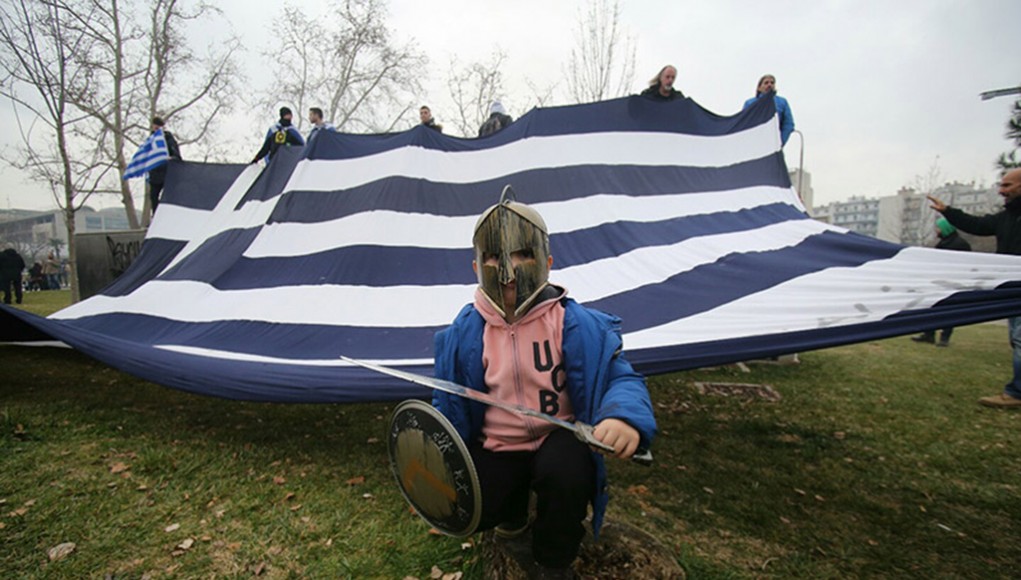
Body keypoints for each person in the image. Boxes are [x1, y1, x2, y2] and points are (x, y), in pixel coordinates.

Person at [433, 186, 656, 577]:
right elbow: (447, 400)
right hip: (497, 445)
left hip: (560, 439)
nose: (508, 269)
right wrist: (434, 450)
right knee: (473, 497)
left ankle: (554, 561)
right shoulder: (464, 332)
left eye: (524, 253)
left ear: (547, 261)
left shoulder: (576, 325)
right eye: (492, 256)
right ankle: (512, 516)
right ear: (474, 267)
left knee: (567, 477)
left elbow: (620, 376)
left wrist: (624, 417)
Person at [928, 168, 1021, 408]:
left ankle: (1017, 393)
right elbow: (977, 225)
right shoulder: (1006, 217)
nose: (1001, 190)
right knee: (1016, 338)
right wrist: (948, 212)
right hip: (1012, 289)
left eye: (1007, 186)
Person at [910, 217, 971, 346]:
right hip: (937, 282)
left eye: (938, 228)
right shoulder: (944, 243)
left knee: (948, 312)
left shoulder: (958, 245)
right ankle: (928, 334)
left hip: (951, 283)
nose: (936, 230)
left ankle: (944, 338)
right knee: (931, 308)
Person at [742, 74, 795, 146]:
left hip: (774, 143)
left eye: (772, 83)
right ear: (759, 87)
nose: (769, 85)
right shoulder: (750, 103)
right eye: (766, 83)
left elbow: (788, 124)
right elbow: (743, 123)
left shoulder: (782, 102)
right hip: (755, 143)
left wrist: (781, 141)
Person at [146, 117, 182, 213]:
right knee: (153, 196)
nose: (156, 128)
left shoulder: (167, 137)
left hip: (167, 172)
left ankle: (168, 217)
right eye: (155, 126)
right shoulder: (150, 139)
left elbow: (175, 153)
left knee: (168, 197)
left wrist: (173, 158)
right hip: (155, 173)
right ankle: (156, 217)